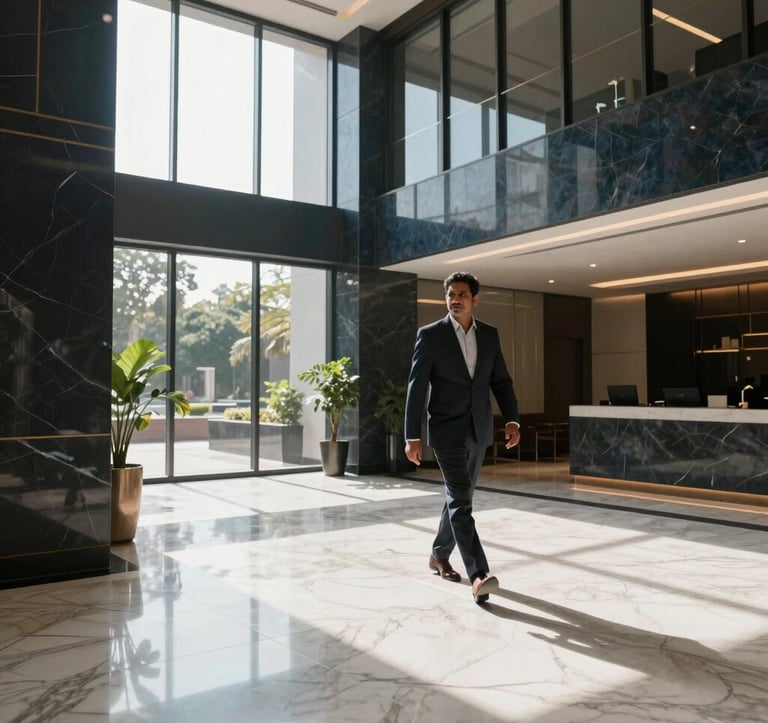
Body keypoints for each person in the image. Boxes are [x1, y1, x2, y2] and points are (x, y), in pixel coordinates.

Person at [404, 271, 520, 604]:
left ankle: (438, 554)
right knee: (460, 498)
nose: (455, 300)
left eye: (462, 295)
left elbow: (501, 381)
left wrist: (512, 419)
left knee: (460, 498)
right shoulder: (430, 336)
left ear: (475, 299)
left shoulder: (490, 335)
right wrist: (412, 436)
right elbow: (416, 388)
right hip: (445, 431)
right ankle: (479, 574)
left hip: (479, 429)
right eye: (451, 295)